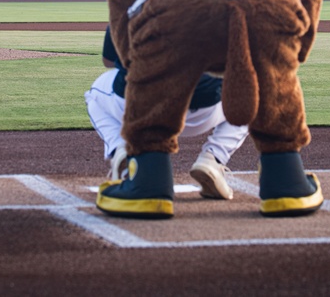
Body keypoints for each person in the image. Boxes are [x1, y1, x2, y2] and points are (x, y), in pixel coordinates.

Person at [86, 28, 249, 200]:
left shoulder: (131, 4)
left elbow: (109, 61)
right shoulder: (220, 4)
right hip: (203, 113)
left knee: (94, 95)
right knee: (252, 96)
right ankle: (214, 158)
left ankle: (122, 148)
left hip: (143, 111)